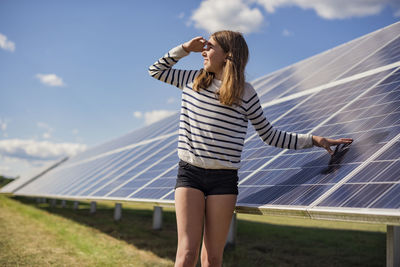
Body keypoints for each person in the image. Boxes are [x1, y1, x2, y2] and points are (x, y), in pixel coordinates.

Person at [148, 31, 353, 267]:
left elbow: (270, 135)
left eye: (210, 47)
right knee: (186, 254)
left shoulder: (245, 94)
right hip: (190, 174)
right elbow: (156, 71)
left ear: (228, 55)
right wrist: (184, 48)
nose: (203, 51)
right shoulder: (192, 79)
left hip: (223, 180)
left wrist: (314, 140)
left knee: (212, 258)